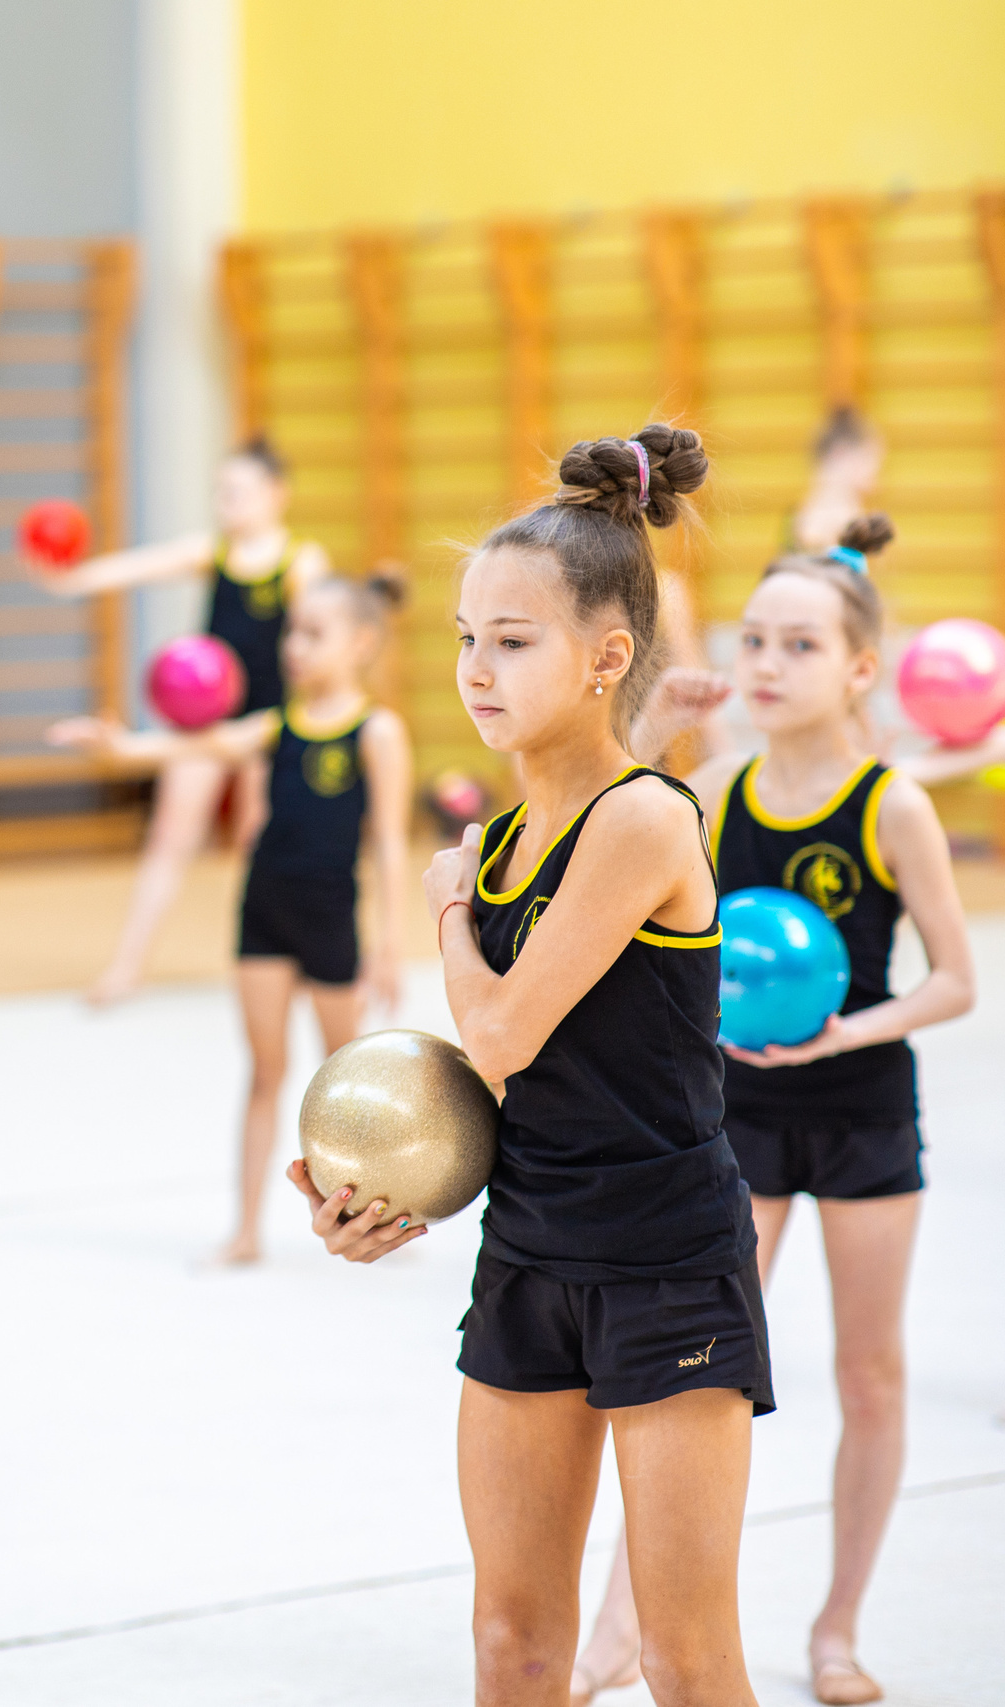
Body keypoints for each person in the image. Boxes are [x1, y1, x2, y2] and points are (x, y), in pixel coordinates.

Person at [296, 425, 770, 1707]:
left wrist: (446, 906)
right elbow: (514, 1086)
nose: (475, 668)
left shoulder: (639, 817)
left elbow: (499, 1031)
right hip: (532, 1251)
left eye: (513, 640)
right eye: (464, 636)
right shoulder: (504, 833)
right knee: (510, 1644)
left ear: (606, 657)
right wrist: (393, 1192)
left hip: (668, 1267)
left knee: (684, 1656)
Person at [565, 515, 973, 1707]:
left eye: (798, 645)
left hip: (857, 1115)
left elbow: (955, 979)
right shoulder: (708, 793)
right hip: (731, 1119)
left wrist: (848, 1029)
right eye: (754, 639)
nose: (765, 663)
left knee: (869, 1376)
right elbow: (596, 828)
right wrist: (647, 728)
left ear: (856, 671)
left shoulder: (892, 806)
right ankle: (615, 1630)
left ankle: (837, 1627)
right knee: (682, 1379)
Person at [49, 572, 414, 1262]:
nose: (295, 647)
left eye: (314, 634)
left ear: (361, 643)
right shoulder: (275, 726)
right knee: (265, 1070)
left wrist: (392, 944)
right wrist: (118, 747)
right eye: (293, 633)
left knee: (344, 1081)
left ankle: (374, 1219)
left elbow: (391, 844)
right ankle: (246, 1229)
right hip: (264, 912)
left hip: (329, 915)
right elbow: (196, 746)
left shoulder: (377, 731)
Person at [32, 436, 333, 1003]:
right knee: (171, 837)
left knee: (262, 842)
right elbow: (143, 565)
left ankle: (279, 959)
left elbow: (321, 637)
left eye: (240, 491)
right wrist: (72, 580)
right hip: (204, 721)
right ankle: (126, 967)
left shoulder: (300, 561)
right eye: (221, 492)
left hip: (270, 723)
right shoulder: (212, 552)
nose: (228, 502)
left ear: (276, 495)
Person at [789, 407, 883, 557]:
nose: (875, 472)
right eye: (870, 459)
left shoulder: (807, 513)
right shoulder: (836, 519)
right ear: (841, 454)